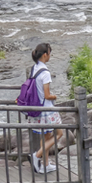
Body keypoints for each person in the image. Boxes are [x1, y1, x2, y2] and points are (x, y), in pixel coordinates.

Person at [27, 43, 63, 174]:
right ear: (45, 55)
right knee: (59, 134)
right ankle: (36, 155)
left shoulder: (34, 68)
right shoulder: (45, 73)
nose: (50, 55)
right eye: (49, 53)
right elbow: (47, 95)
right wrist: (55, 96)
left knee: (46, 136)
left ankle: (46, 164)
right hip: (47, 110)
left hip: (37, 109)